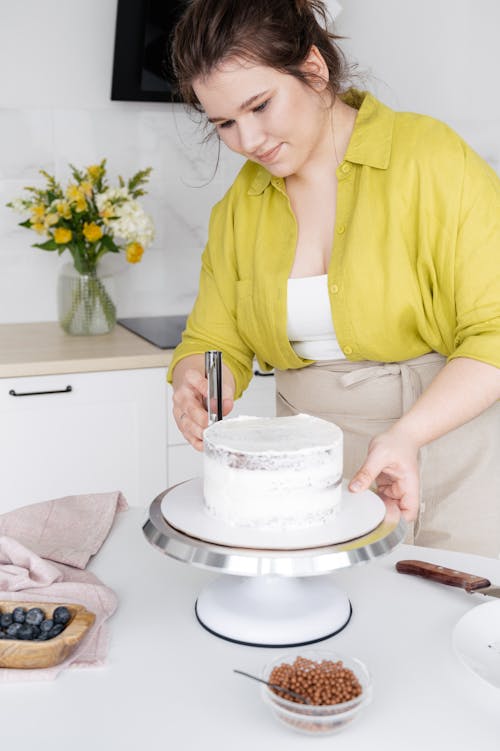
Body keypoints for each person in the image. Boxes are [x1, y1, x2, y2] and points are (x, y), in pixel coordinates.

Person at [167, 0, 500, 556]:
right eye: (224, 123)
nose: (247, 141)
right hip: (310, 472)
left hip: (449, 445)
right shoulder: (239, 208)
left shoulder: (432, 160)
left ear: (314, 70)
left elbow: (494, 332)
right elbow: (214, 340)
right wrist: (199, 380)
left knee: (452, 618)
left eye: (260, 106)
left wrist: (409, 436)